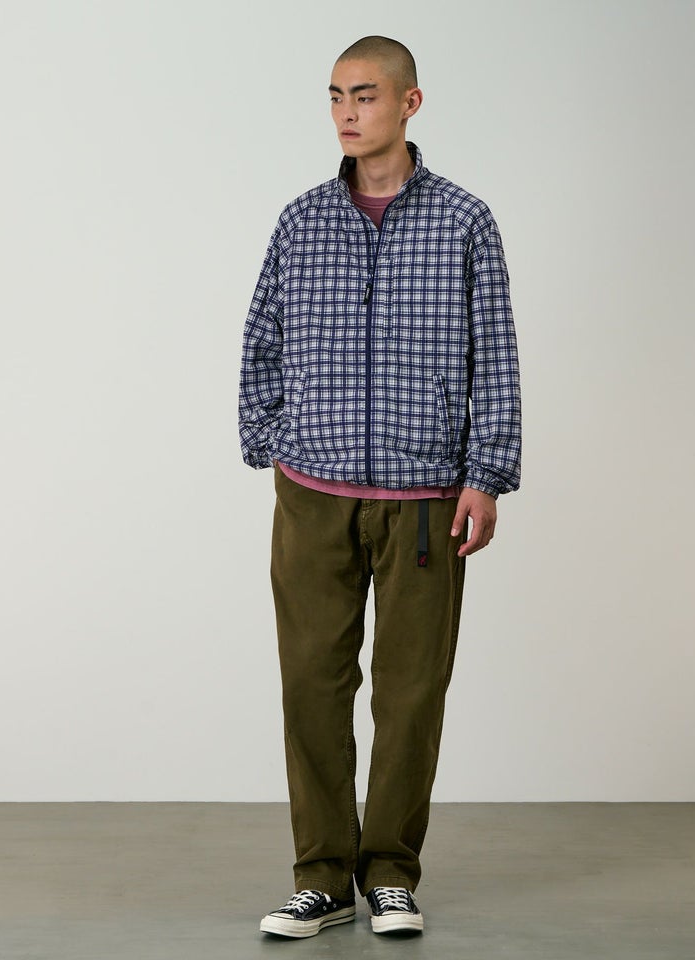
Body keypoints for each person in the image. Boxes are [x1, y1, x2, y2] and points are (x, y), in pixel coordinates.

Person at [238, 35, 521, 939]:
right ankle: (321, 878)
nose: (346, 113)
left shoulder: (465, 221)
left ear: (409, 102)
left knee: (411, 694)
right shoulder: (302, 221)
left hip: (425, 499)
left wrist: (486, 475)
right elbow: (262, 338)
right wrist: (273, 443)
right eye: (334, 97)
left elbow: (496, 355)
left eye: (364, 95)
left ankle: (391, 872)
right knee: (311, 684)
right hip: (312, 494)